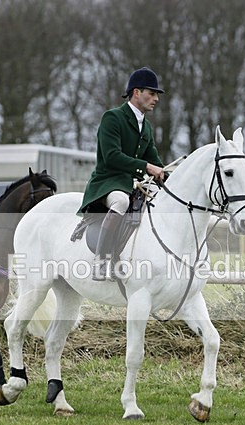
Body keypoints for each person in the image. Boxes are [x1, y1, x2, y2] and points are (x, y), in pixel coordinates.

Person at [78, 66, 166, 281]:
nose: (156, 99)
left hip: (132, 184)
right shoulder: (113, 118)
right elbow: (112, 157)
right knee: (121, 203)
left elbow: (154, 160)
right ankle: (101, 260)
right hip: (107, 183)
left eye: (156, 95)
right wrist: (146, 167)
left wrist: (168, 176)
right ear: (137, 92)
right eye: (151, 93)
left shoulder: (145, 127)